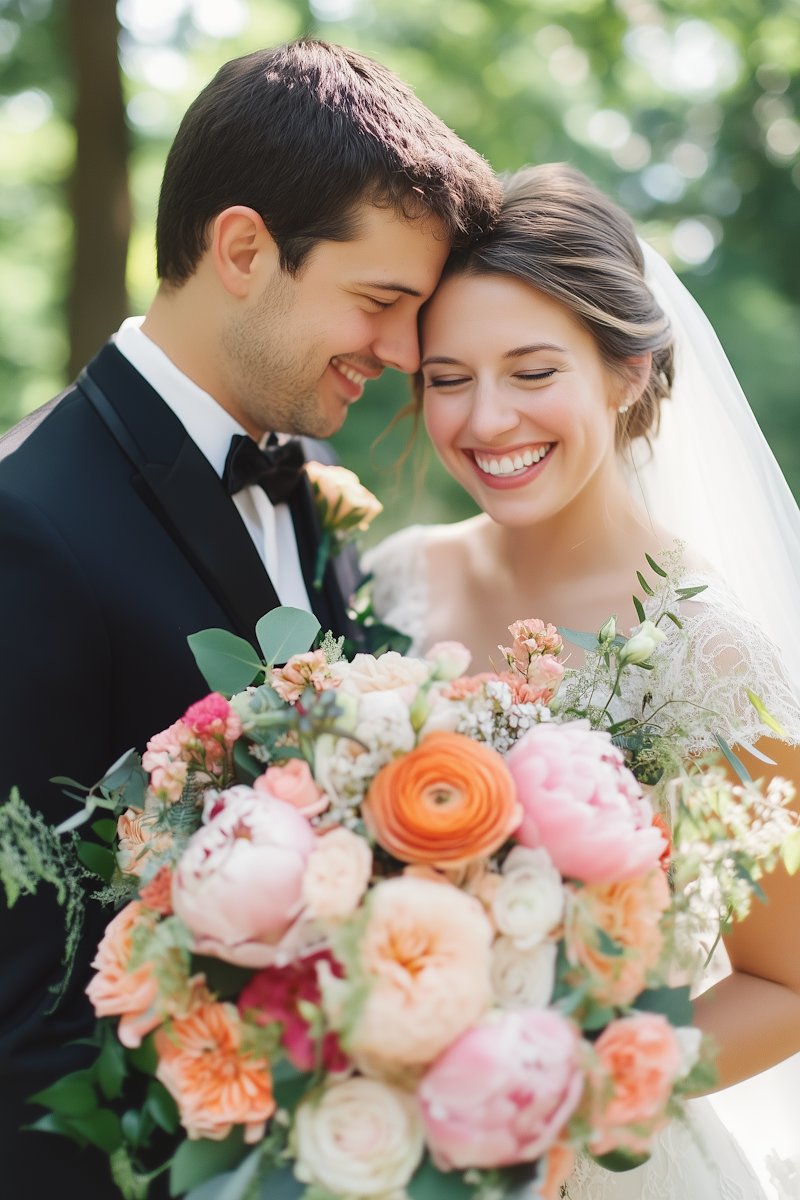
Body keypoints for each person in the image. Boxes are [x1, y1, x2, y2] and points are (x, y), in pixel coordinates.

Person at [0, 38, 500, 1196]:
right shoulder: (29, 531)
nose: (400, 352)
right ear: (241, 249)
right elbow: (24, 1017)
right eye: (379, 301)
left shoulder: (305, 473)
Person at [364, 162, 800, 1198]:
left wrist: (560, 1095)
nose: (484, 421)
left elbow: (785, 982)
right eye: (446, 377)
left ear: (625, 372)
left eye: (530, 371)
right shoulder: (389, 576)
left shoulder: (706, 653)